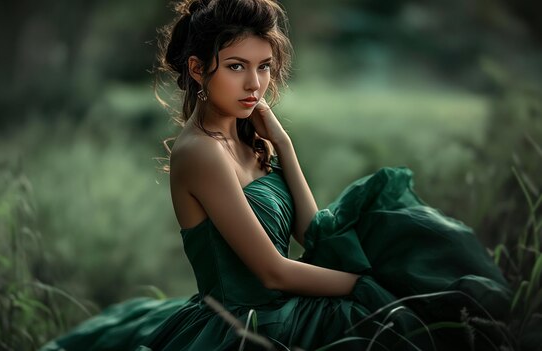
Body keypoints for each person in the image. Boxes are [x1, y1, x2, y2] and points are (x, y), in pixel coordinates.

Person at [40, 0, 512, 350]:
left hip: (289, 304)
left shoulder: (253, 138)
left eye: (264, 68)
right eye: (236, 67)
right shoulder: (199, 153)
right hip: (246, 323)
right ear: (198, 70)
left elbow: (312, 233)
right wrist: (369, 287)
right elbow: (272, 272)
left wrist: (284, 146)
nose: (254, 84)